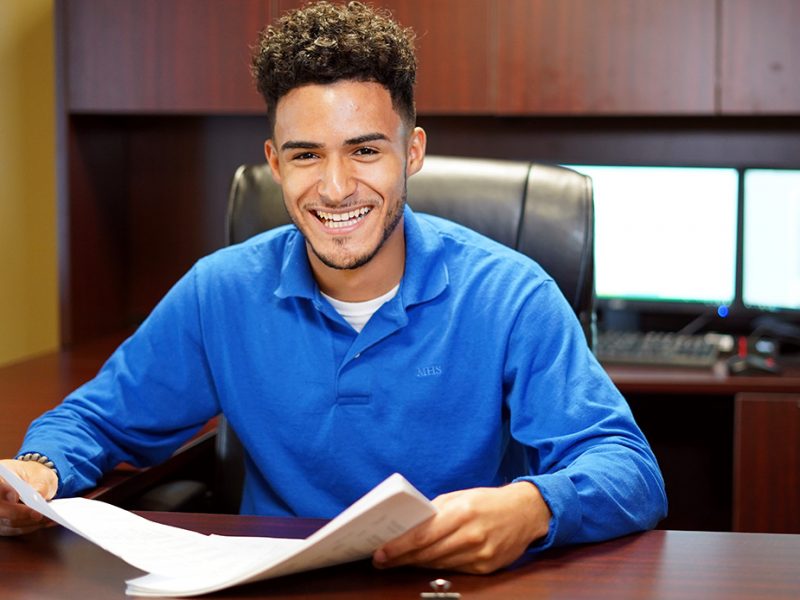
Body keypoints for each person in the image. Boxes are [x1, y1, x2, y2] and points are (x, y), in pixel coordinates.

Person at [0, 1, 667, 574]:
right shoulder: (221, 291)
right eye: (306, 155)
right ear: (274, 163)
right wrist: (38, 470)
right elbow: (94, 420)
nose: (337, 186)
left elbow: (630, 472)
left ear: (412, 153)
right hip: (276, 585)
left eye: (365, 150)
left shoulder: (510, 294)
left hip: (451, 586)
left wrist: (533, 507)